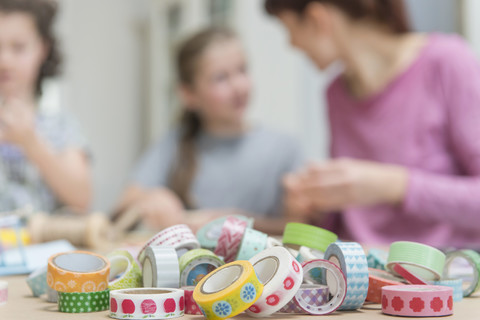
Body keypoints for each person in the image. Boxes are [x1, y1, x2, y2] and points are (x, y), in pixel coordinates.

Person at [266, 0, 480, 247]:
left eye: (289, 29)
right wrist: (313, 206)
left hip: (447, 274)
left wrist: (393, 185)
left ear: (317, 18)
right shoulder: (336, 94)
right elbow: (345, 224)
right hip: (360, 274)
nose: (291, 44)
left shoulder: (447, 61)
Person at [114, 27, 302, 234]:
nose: (238, 86)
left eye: (242, 70)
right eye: (221, 78)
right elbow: (122, 206)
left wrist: (233, 223)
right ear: (188, 94)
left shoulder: (283, 149)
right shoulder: (174, 144)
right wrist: (149, 199)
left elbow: (299, 231)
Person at [0, 0, 91, 213]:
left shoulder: (60, 125)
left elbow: (81, 198)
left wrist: (31, 142)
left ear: (42, 49)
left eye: (18, 47)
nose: (5, 61)